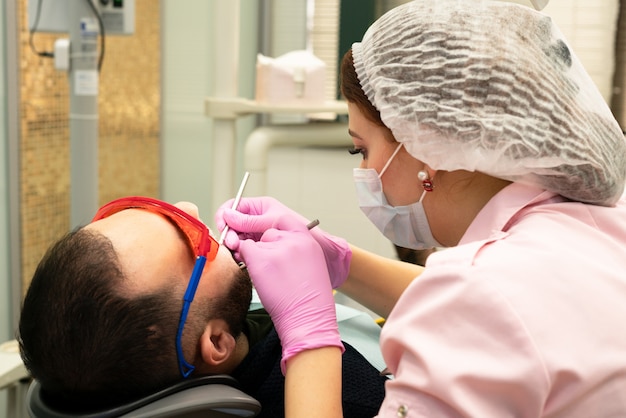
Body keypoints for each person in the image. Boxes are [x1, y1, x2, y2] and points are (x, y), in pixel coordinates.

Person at [215, 0, 626, 417]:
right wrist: (340, 261)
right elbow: (509, 315)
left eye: (360, 149)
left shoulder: (481, 298)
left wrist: (309, 335)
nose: (363, 169)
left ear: (425, 145)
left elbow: (480, 310)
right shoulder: (602, 221)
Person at [17, 196, 388, 417]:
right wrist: (311, 334)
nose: (188, 206)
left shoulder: (224, 320)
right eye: (189, 238)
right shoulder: (346, 398)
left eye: (161, 210)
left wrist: (344, 262)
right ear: (216, 344)